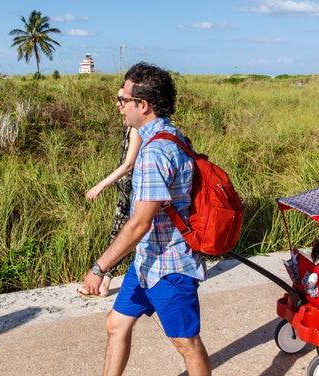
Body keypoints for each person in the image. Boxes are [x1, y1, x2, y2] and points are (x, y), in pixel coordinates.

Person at [79, 62, 211, 376]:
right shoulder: (172, 135)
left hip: (170, 267)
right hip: (146, 262)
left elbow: (140, 223)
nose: (118, 105)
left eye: (123, 99)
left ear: (143, 105)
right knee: (115, 324)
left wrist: (99, 268)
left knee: (186, 344)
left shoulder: (154, 153)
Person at [83, 86, 142, 297]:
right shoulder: (128, 124)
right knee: (120, 234)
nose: (119, 104)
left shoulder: (136, 127)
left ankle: (105, 279)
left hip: (134, 190)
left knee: (123, 235)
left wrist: (100, 185)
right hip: (125, 189)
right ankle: (107, 280)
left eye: (122, 99)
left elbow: (128, 164)